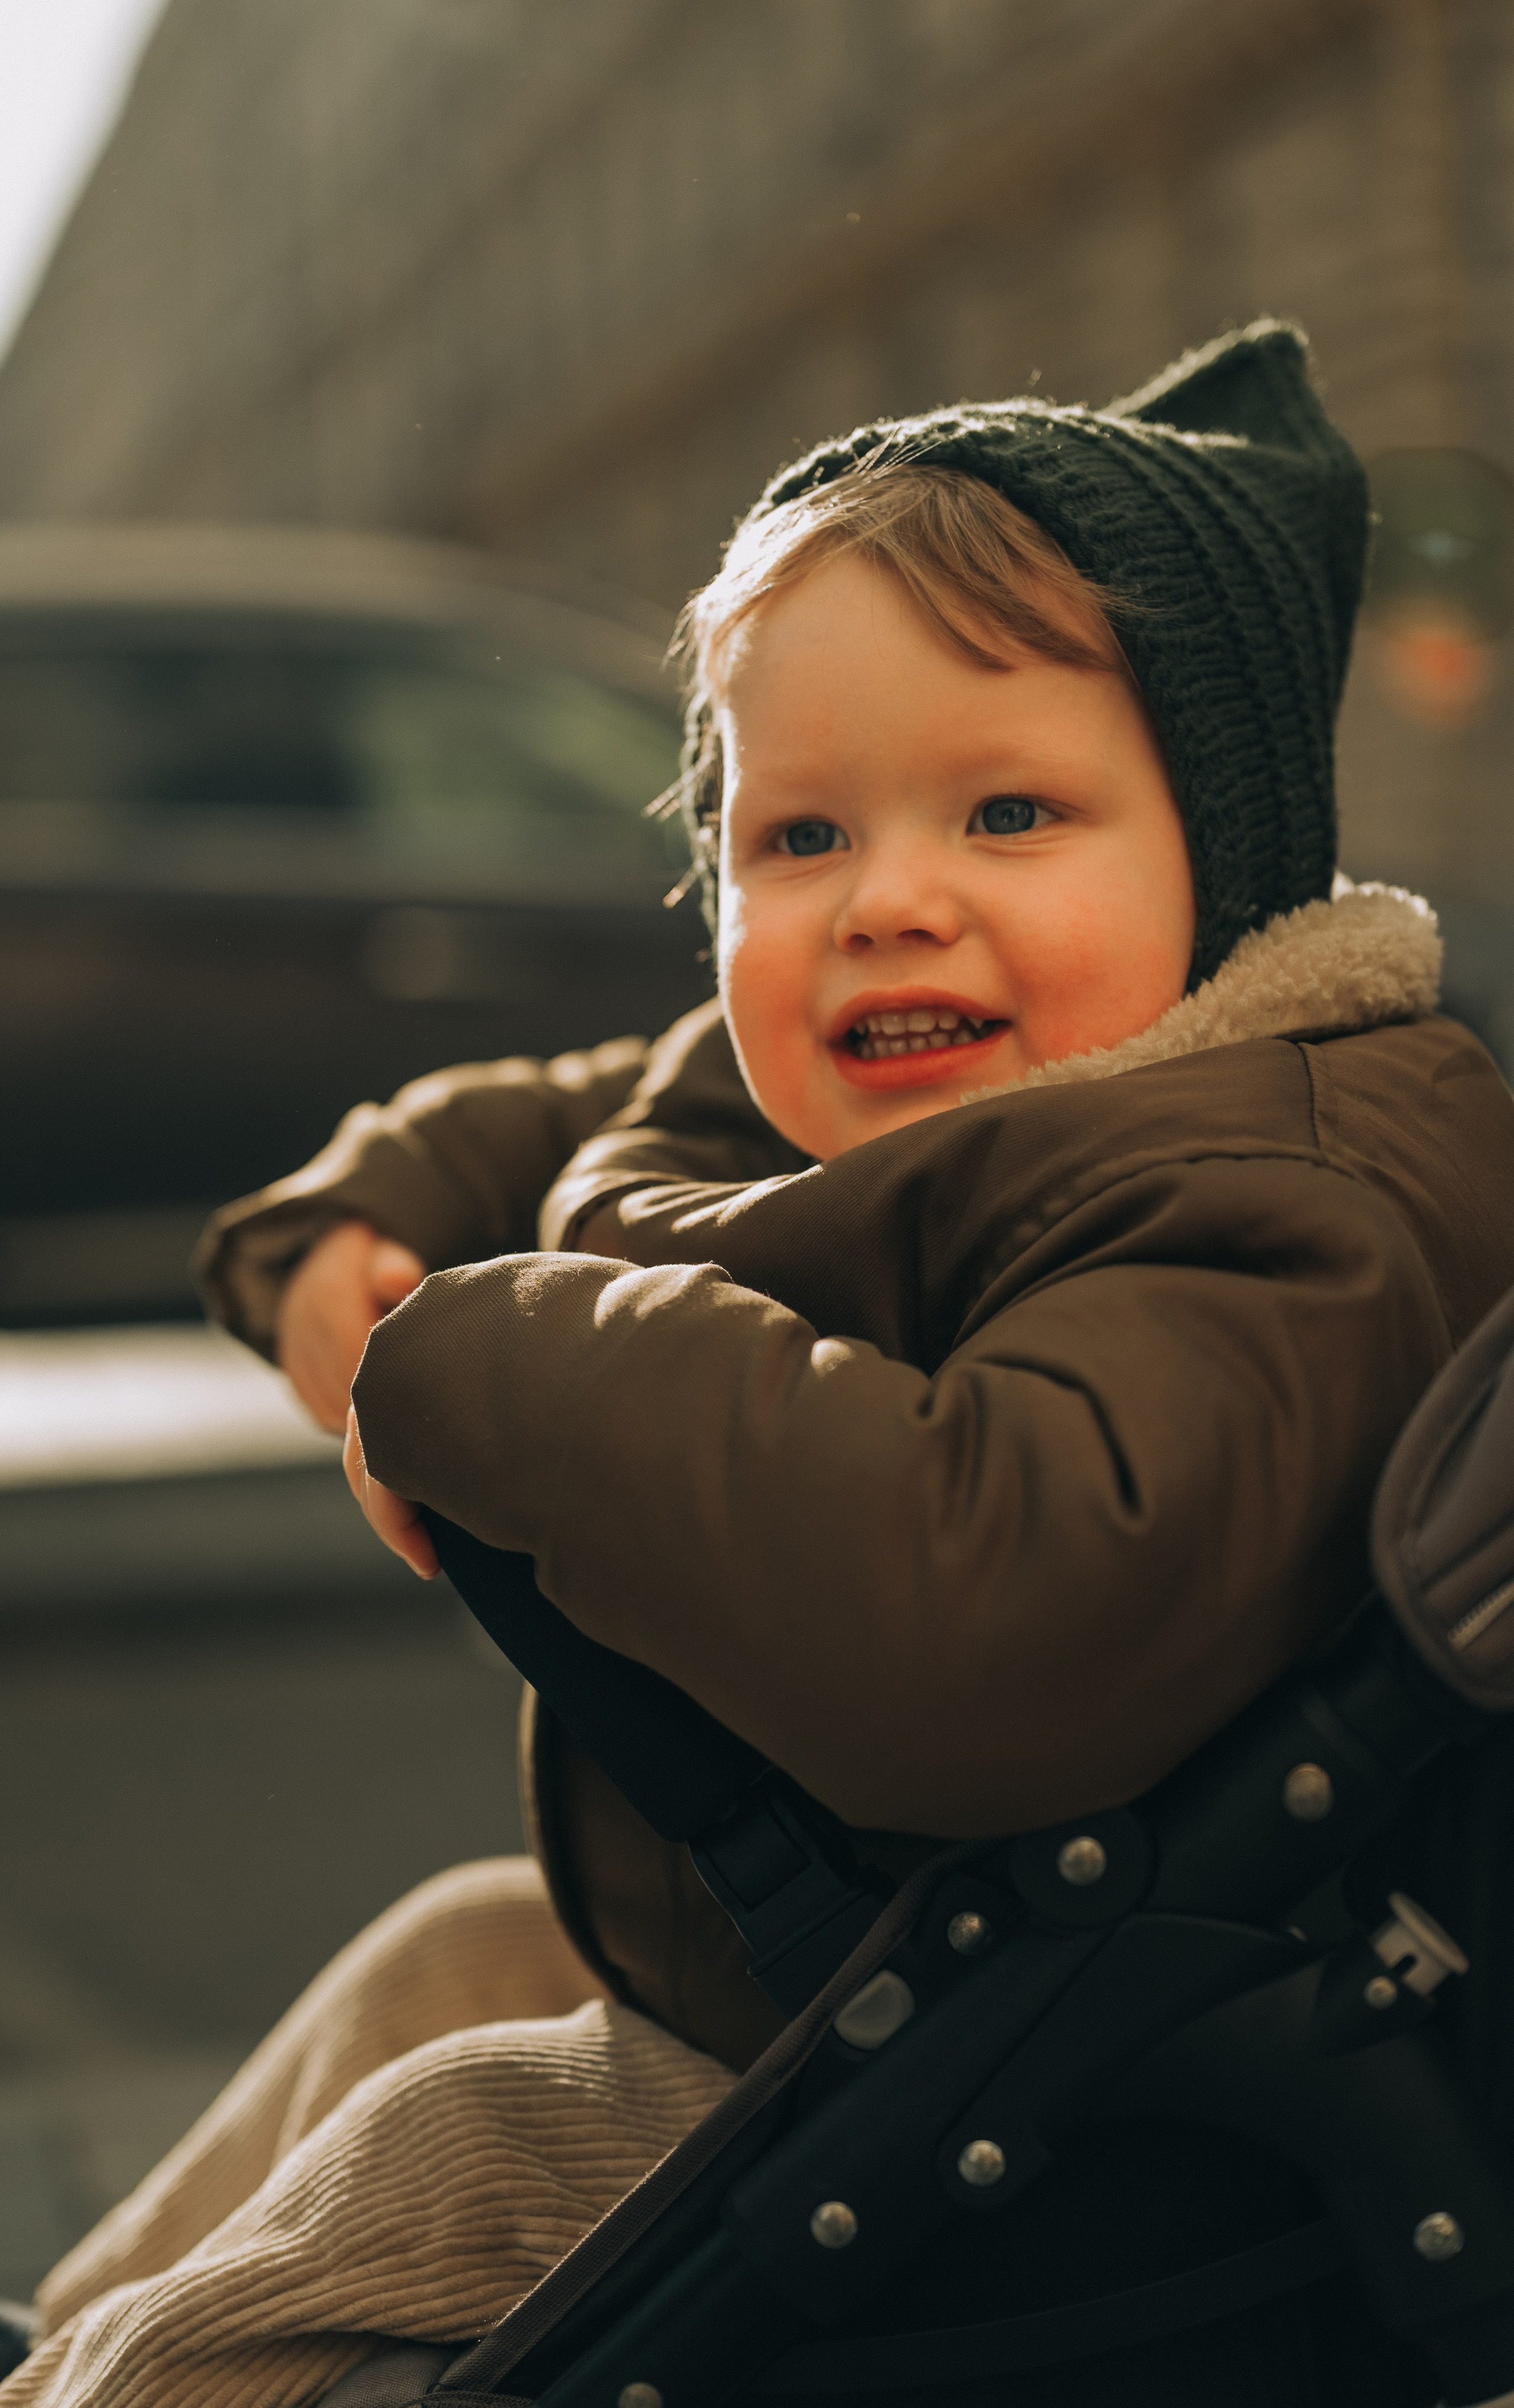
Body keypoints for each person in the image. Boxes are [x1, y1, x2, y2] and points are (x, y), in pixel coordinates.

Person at [10, 319, 1514, 2408]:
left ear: (1229, 853)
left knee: (443, 2156)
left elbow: (994, 1611)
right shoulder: (951, 1080)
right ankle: (85, 2334)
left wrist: (498, 1365)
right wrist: (341, 1239)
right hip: (854, 1969)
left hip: (1074, 2071)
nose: (891, 901)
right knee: (451, 1955)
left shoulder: (1270, 1197)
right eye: (799, 840)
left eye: (1008, 812)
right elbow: (604, 1105)